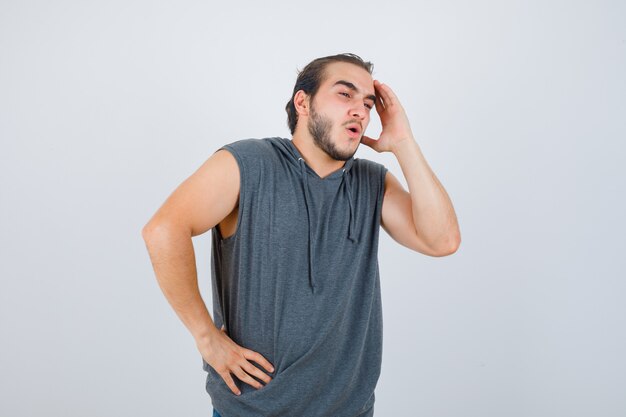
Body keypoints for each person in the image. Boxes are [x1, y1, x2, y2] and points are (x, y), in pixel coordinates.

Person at [142, 53, 461, 417]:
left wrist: (403, 143)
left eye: (368, 103)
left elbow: (442, 241)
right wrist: (206, 338)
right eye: (345, 95)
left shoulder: (371, 183)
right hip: (252, 410)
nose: (360, 110)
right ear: (303, 102)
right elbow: (163, 230)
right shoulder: (248, 163)